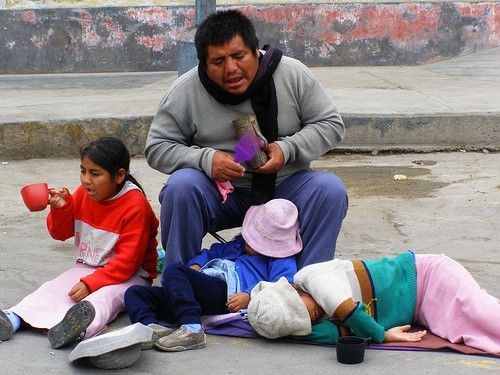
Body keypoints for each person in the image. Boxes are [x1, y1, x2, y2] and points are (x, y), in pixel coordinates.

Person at [145, 9, 348, 270]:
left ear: (255, 51)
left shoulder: (293, 74)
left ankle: (309, 287)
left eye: (238, 56)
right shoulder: (185, 91)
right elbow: (157, 147)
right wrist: (206, 160)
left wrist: (287, 150)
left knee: (329, 190)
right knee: (181, 186)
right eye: (218, 62)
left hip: (285, 189)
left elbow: (330, 124)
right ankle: (182, 285)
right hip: (222, 194)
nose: (231, 69)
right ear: (203, 65)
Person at [0, 137, 159, 349]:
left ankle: (78, 330)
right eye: (83, 171)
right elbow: (59, 233)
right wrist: (61, 208)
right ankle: (14, 318)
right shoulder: (84, 193)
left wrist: (91, 284)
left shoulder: (135, 205)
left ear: (119, 176)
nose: (86, 179)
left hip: (131, 276)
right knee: (53, 288)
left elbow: (128, 262)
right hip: (88, 266)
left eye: (95, 173)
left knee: (104, 299)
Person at [124, 198, 301, 352]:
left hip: (226, 294)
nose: (249, 240)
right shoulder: (240, 244)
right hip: (196, 293)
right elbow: (213, 252)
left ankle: (192, 328)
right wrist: (197, 263)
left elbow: (281, 287)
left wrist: (249, 295)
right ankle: (150, 329)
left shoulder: (281, 260)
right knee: (134, 293)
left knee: (174, 271)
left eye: (257, 240)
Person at [247, 251, 500, 355]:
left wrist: (382, 336)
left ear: (294, 289)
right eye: (309, 321)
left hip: (427, 277)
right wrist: (300, 331)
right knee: (468, 332)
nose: (315, 317)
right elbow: (326, 334)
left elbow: (351, 312)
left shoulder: (312, 278)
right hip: (420, 310)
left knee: (480, 313)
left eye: (310, 311)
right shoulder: (312, 318)